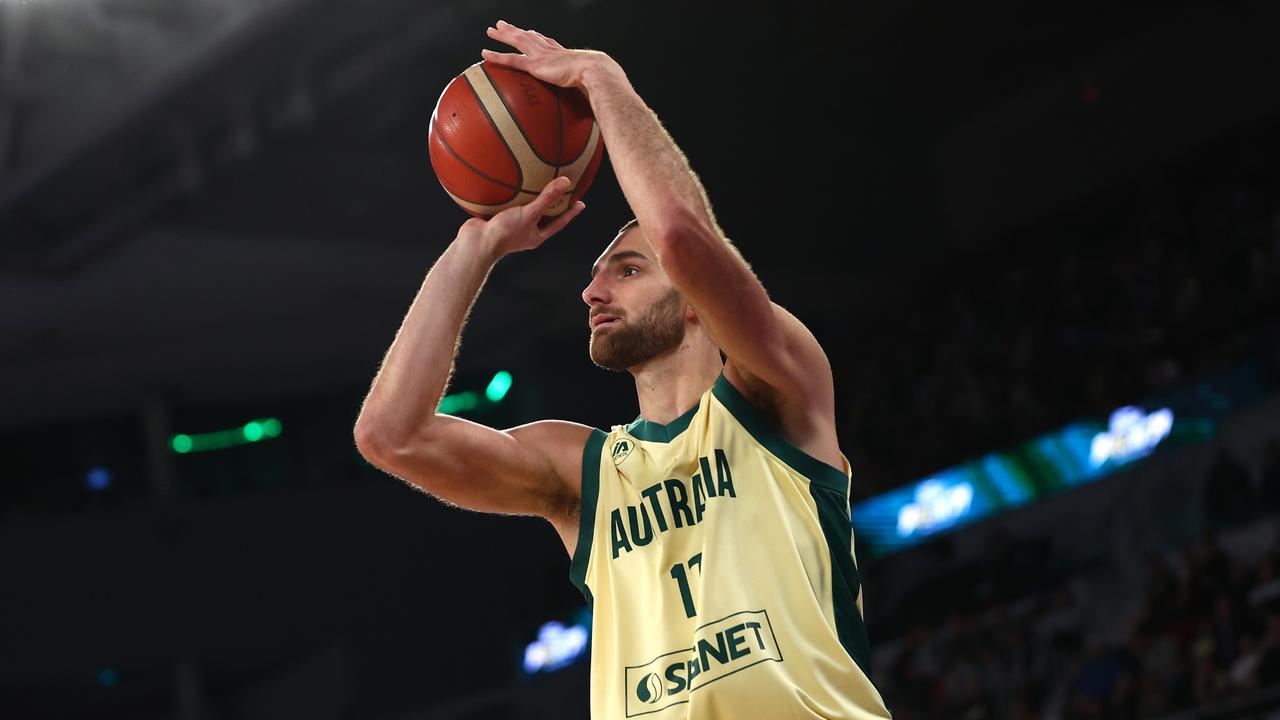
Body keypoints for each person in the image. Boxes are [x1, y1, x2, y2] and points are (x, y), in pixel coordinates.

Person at [353, 20, 891, 720]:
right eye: (597, 275)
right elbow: (389, 436)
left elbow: (681, 236)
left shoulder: (775, 395)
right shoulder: (585, 474)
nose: (592, 291)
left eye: (627, 269)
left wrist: (601, 81)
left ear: (696, 304)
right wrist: (472, 249)